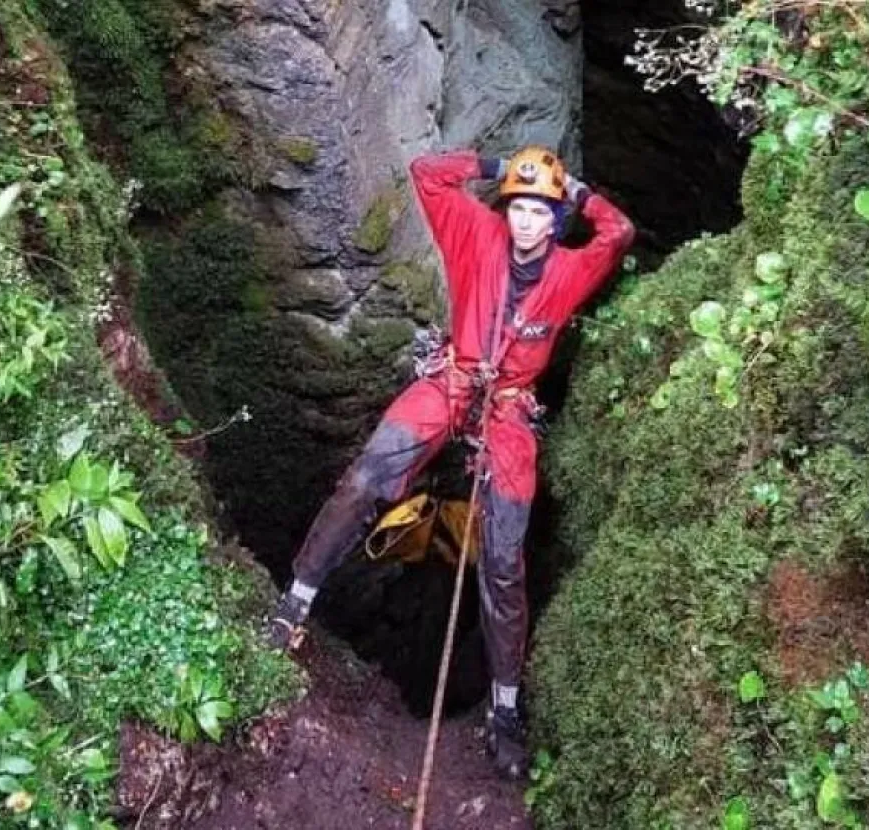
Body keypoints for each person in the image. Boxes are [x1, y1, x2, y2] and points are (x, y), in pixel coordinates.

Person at [264, 145, 635, 778]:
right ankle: (297, 601)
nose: (523, 221)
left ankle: (505, 708)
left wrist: (574, 189)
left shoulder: (570, 272)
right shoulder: (475, 231)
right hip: (454, 379)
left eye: (537, 211)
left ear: (553, 221)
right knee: (364, 479)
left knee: (502, 559)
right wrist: (496, 166)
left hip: (509, 409)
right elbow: (427, 173)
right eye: (517, 207)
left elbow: (618, 231)